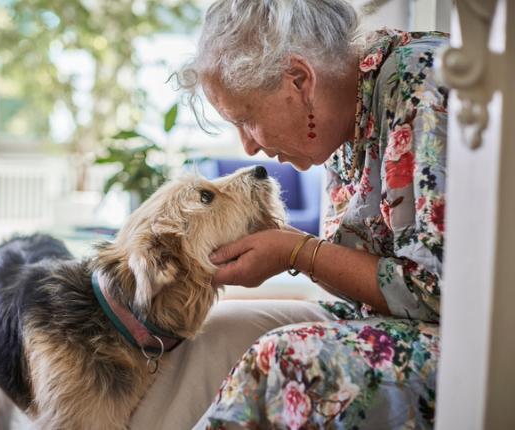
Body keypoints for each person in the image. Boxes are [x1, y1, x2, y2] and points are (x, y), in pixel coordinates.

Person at [169, 0, 447, 428]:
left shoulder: (423, 87)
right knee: (213, 333)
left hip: (476, 342)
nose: (248, 147)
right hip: (387, 323)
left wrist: (296, 252)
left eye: (245, 119)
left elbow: (436, 294)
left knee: (283, 358)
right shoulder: (343, 116)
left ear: (299, 80)